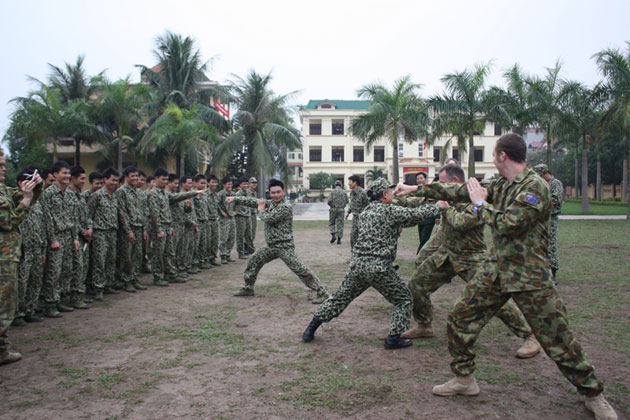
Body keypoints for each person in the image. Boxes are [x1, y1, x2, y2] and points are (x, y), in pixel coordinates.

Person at [394, 134, 617, 420]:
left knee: (557, 339)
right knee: (460, 318)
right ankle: (465, 379)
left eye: (494, 155)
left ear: (502, 156)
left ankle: (593, 395)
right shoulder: (501, 184)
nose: (493, 161)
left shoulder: (535, 187)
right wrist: (414, 188)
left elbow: (507, 224)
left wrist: (479, 204)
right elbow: (459, 191)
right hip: (496, 269)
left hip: (529, 275)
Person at [398, 164, 541, 358]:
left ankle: (529, 336)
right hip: (446, 256)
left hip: (471, 258)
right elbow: (419, 201)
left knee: (495, 300)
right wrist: (397, 198)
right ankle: (424, 325)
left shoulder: (476, 198)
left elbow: (461, 223)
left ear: (456, 181)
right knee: (415, 288)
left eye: (443, 182)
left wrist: (445, 208)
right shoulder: (445, 196)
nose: (440, 186)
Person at [302, 178, 443, 349]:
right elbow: (415, 216)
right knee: (404, 299)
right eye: (390, 191)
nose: (393, 194)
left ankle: (310, 329)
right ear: (384, 194)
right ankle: (393, 338)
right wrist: (438, 207)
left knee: (339, 299)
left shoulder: (366, 211)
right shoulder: (389, 210)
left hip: (358, 266)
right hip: (379, 268)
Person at [229, 179, 329, 304]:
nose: (276, 195)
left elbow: (268, 218)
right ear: (269, 193)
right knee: (254, 261)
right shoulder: (271, 204)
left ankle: (322, 291)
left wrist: (260, 209)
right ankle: (248, 287)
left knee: (300, 269)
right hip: (271, 246)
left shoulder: (285, 207)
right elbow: (254, 201)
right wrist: (235, 199)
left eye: (278, 192)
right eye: (273, 193)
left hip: (284, 246)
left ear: (283, 192)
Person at [0, 152, 41, 365]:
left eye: (4, 165)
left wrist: (35, 187)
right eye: (0, 166)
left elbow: (19, 195)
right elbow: (9, 222)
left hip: (8, 255)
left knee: (7, 303)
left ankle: (3, 348)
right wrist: (26, 199)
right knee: (4, 305)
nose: (4, 169)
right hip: (3, 258)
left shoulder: (3, 189)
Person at [39, 161, 80, 317]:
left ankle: (59, 299)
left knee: (66, 270)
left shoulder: (69, 194)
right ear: (55, 175)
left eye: (69, 173)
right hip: (55, 237)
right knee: (54, 272)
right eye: (64, 173)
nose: (67, 176)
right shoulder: (47, 194)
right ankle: (50, 303)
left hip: (68, 236)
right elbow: (47, 219)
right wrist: (52, 239)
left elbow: (73, 217)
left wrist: (75, 237)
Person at [148, 168, 200, 286]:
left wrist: (193, 193)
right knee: (158, 254)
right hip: (160, 228)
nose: (165, 182)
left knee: (169, 252)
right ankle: (158, 277)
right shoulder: (153, 193)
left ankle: (171, 274)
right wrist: (159, 230)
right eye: (163, 179)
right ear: (156, 179)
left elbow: (175, 199)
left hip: (167, 226)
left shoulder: (165, 193)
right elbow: (154, 213)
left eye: (166, 179)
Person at [88, 168, 123, 299]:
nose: (115, 183)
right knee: (99, 261)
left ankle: (109, 284)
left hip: (112, 232)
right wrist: (90, 229)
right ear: (105, 180)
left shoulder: (114, 196)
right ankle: (98, 288)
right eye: (112, 180)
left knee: (110, 260)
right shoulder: (97, 195)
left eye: (116, 180)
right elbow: (88, 214)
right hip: (100, 233)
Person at [114, 166, 147, 292]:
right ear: (126, 177)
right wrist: (128, 231)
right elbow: (121, 212)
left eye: (136, 176)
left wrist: (143, 228)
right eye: (132, 176)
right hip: (128, 230)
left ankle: (134, 278)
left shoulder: (138, 192)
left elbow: (141, 211)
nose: (135, 178)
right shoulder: (121, 192)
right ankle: (126, 280)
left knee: (137, 255)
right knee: (126, 256)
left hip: (138, 227)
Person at [533, 164, 563, 283]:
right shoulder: (541, 184)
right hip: (541, 218)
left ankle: (553, 272)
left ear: (545, 173)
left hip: (551, 218)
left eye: (540, 175)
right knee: (540, 244)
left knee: (550, 244)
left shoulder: (556, 184)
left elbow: (556, 199)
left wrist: (540, 201)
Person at [415, 172, 438, 254]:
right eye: (417, 179)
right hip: (420, 218)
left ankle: (419, 255)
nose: (419, 180)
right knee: (421, 239)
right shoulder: (416, 191)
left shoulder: (430, 190)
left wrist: (437, 217)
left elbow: (437, 203)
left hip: (429, 219)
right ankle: (423, 255)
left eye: (421, 178)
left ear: (425, 179)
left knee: (425, 239)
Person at [345, 175, 369, 251]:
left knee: (363, 237)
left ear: (355, 182)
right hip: (355, 218)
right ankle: (355, 256)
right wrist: (348, 212)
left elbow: (369, 205)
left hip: (363, 219)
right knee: (353, 237)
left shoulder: (363, 193)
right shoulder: (352, 193)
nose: (348, 183)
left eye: (350, 182)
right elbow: (352, 204)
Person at [217, 176, 236, 264]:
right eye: (228, 184)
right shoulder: (220, 194)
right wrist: (221, 212)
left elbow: (236, 203)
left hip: (231, 217)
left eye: (231, 184)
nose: (230, 186)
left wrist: (234, 210)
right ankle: (223, 255)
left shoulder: (233, 194)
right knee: (224, 237)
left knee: (232, 237)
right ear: (224, 185)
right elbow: (216, 204)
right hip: (224, 218)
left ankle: (228, 254)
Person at [234, 177, 252, 259]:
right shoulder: (237, 194)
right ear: (240, 185)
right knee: (240, 236)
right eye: (243, 184)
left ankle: (250, 250)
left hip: (247, 215)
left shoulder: (248, 193)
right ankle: (240, 253)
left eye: (247, 184)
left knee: (248, 235)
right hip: (240, 216)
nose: (245, 185)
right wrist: (234, 212)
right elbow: (232, 204)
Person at [205, 175, 221, 266]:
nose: (214, 184)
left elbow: (217, 207)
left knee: (215, 240)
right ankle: (206, 259)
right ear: (208, 183)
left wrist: (222, 213)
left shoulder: (216, 195)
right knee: (208, 240)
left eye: (215, 182)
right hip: (208, 220)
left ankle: (212, 258)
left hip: (215, 220)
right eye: (212, 182)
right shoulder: (205, 194)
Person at [327, 180, 348, 244]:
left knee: (332, 223)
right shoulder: (344, 192)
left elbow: (329, 201)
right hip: (341, 210)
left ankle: (333, 234)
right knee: (340, 224)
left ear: (335, 185)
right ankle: (339, 239)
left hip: (333, 209)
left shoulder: (332, 192)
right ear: (341, 185)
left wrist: (331, 205)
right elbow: (347, 201)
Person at [246, 177, 258, 254]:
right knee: (248, 232)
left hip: (253, 214)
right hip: (247, 214)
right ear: (249, 184)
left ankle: (250, 247)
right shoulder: (246, 192)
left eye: (255, 183)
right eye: (252, 183)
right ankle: (246, 248)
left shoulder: (255, 193)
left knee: (253, 231)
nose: (254, 184)